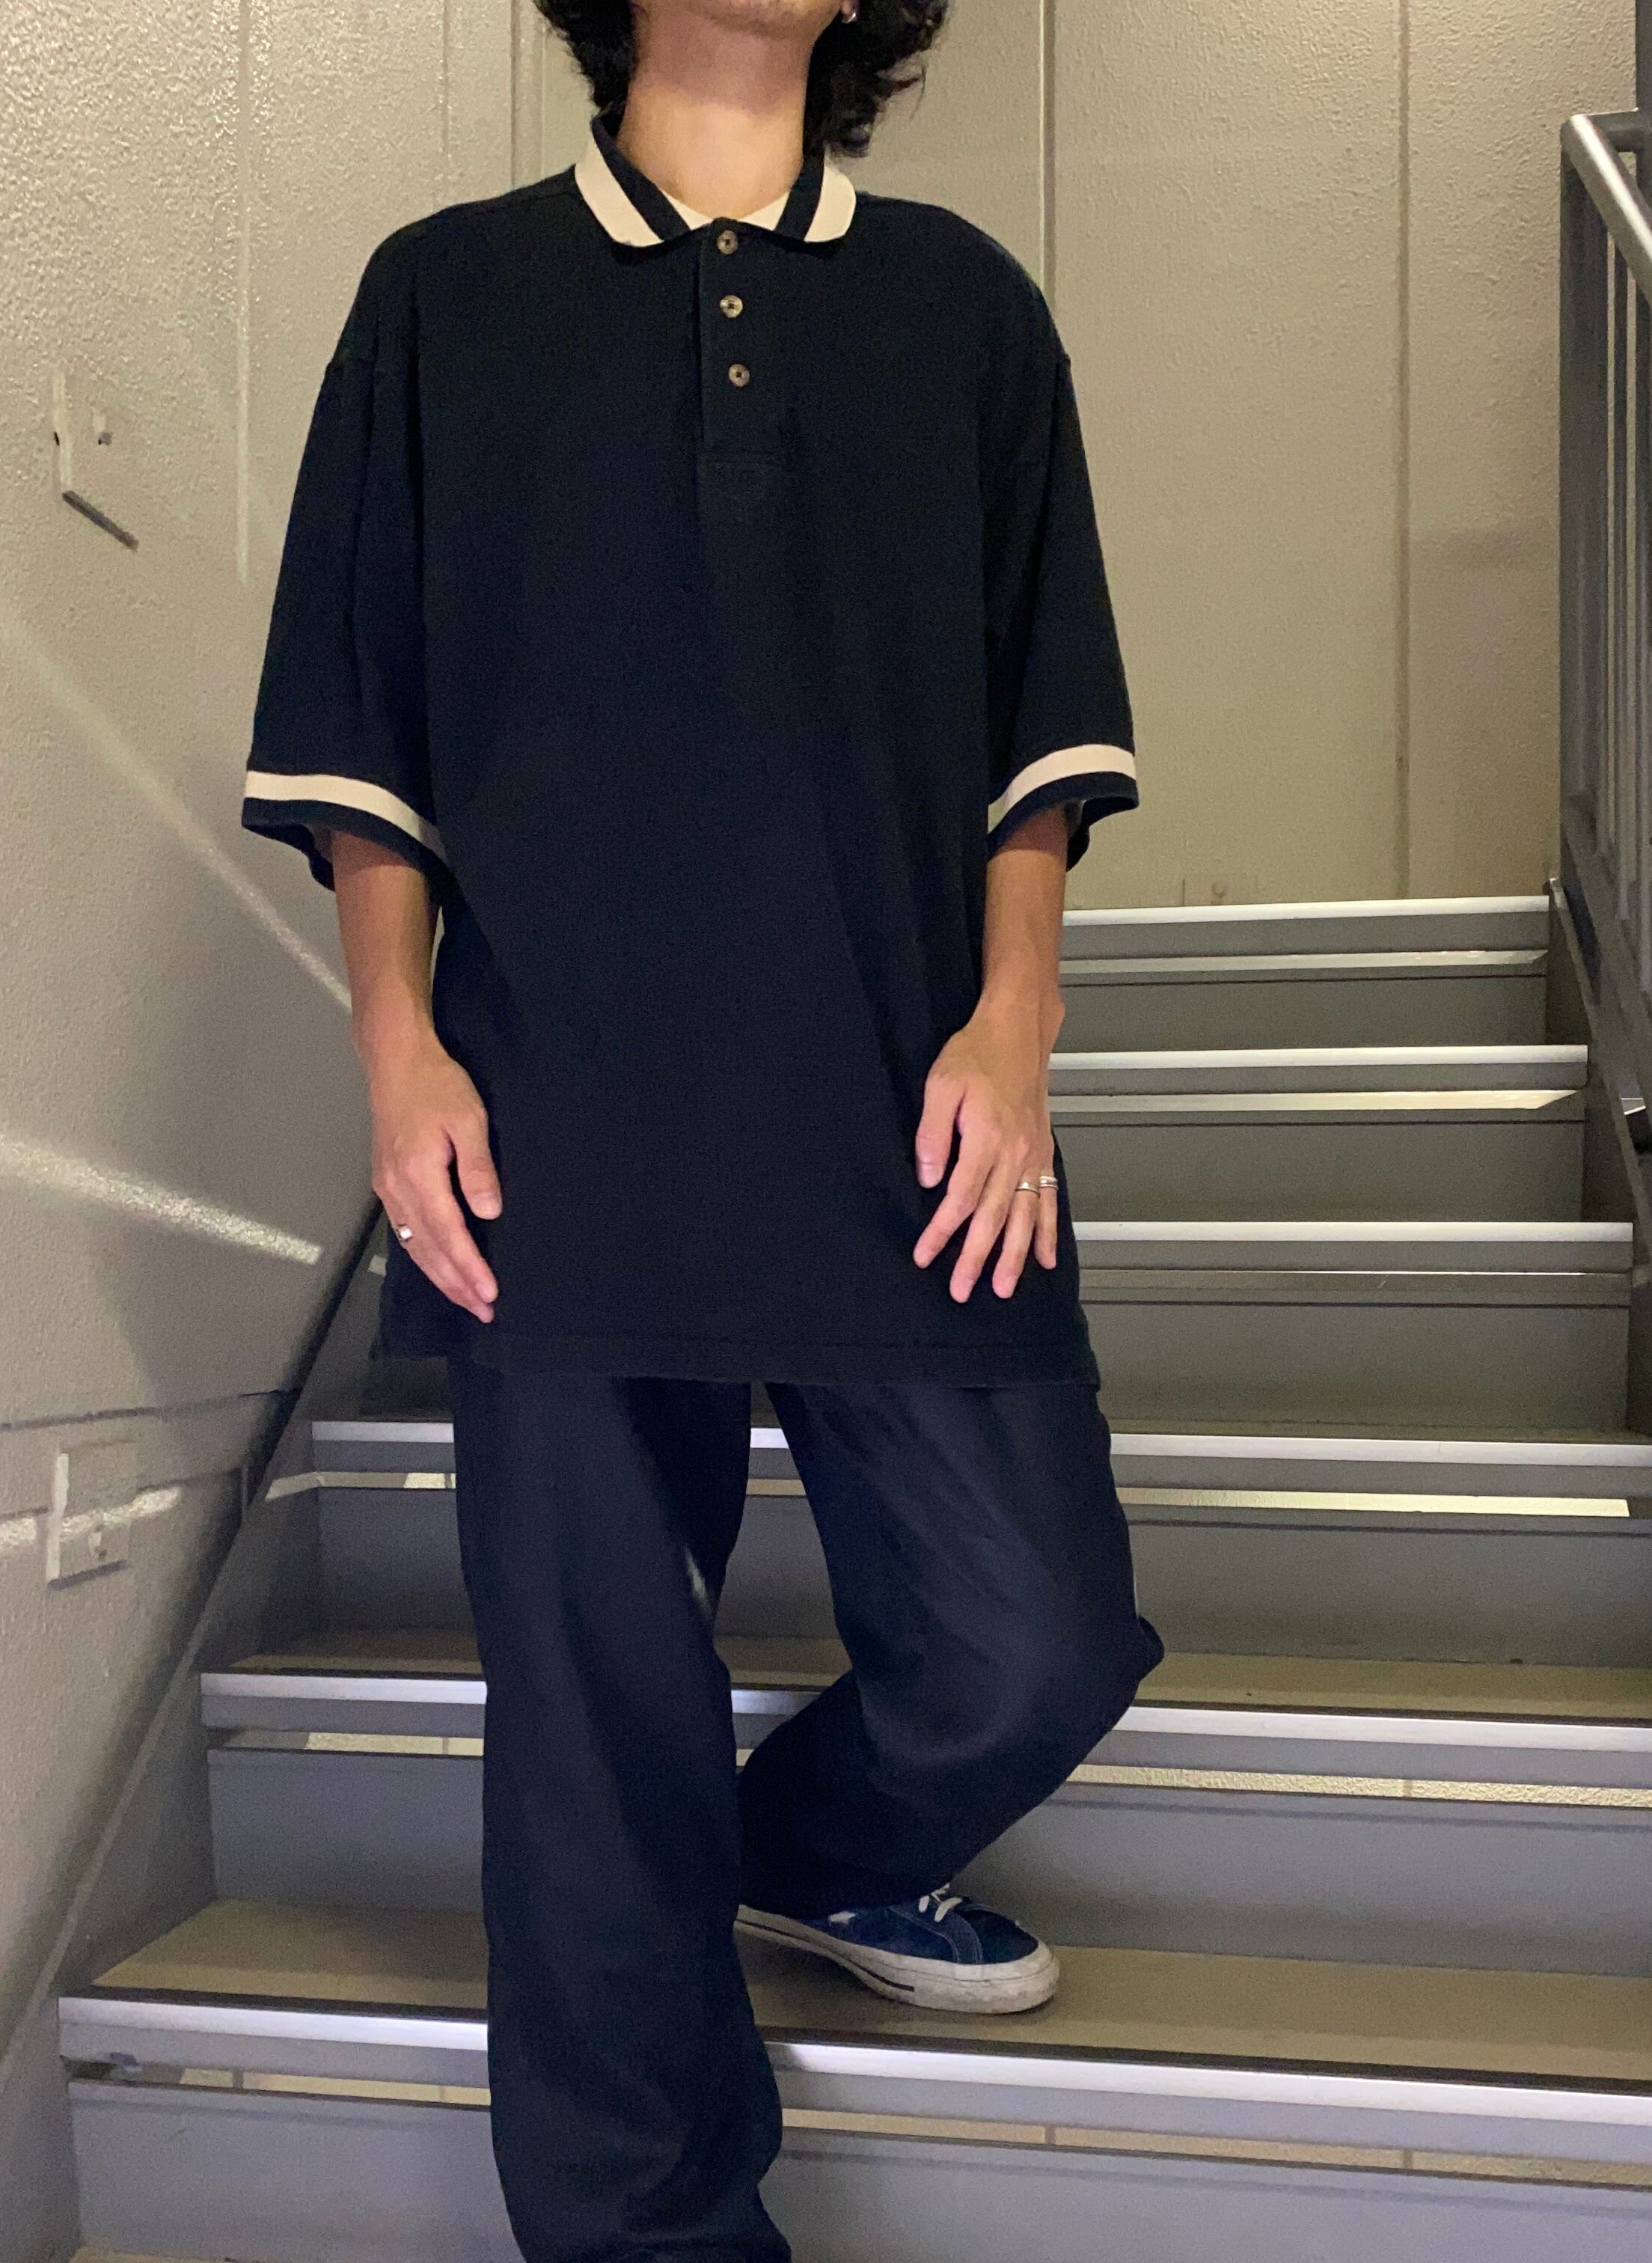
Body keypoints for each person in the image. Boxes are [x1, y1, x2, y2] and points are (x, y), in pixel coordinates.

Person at [240, 1, 1164, 2255]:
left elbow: (1038, 727)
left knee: (1037, 1637)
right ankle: (649, 2229)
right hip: (549, 1120)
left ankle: (812, 1848)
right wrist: (398, 1048)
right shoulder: (443, 296)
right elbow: (365, 721)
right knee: (591, 1726)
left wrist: (1018, 1020)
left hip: (902, 1104)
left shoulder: (964, 311)